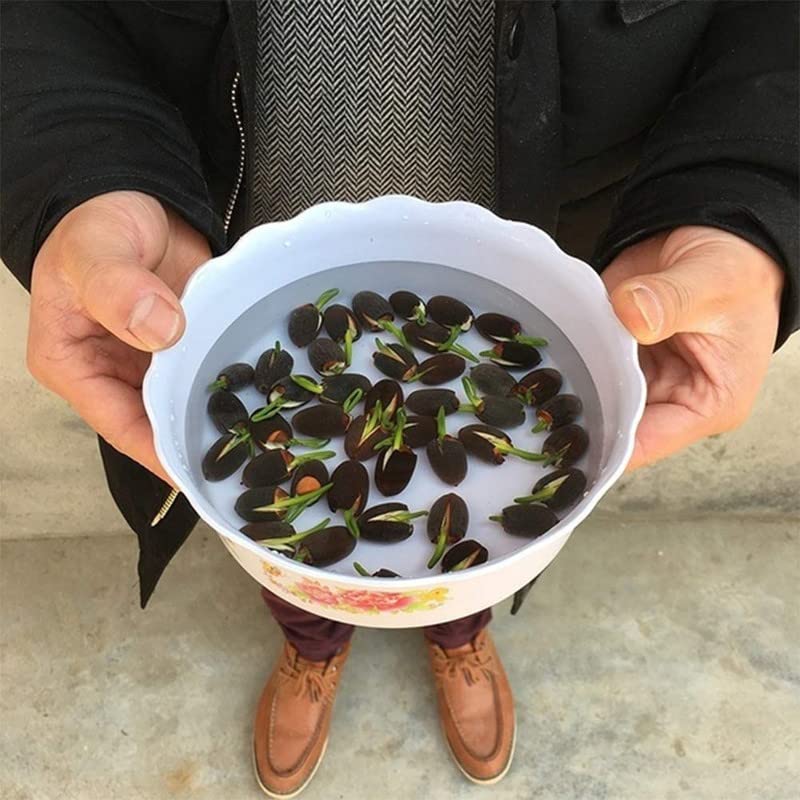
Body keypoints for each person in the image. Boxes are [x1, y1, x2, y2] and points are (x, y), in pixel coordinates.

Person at [1, 1, 797, 796]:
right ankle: (313, 645)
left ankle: (458, 632)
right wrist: (79, 173)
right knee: (291, 558)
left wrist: (746, 200)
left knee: (472, 559)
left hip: (559, 231)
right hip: (215, 235)